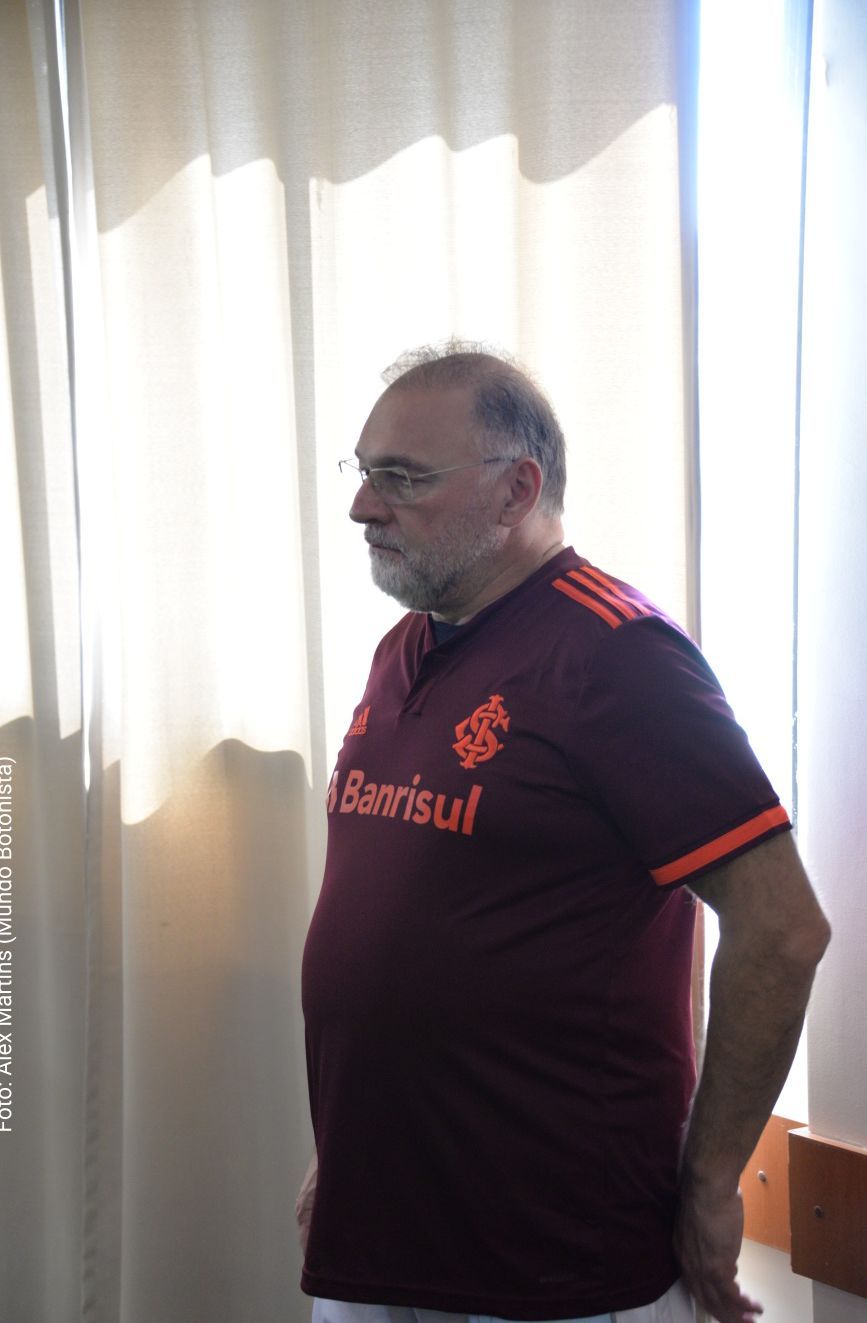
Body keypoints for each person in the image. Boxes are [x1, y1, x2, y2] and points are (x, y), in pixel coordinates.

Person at [298, 344, 830, 1323]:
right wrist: (347, 1153)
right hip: (377, 1225)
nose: (363, 506)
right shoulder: (402, 647)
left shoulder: (616, 656)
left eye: (402, 479)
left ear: (516, 491)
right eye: (364, 472)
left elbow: (782, 928)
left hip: (553, 1253)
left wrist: (711, 1178)